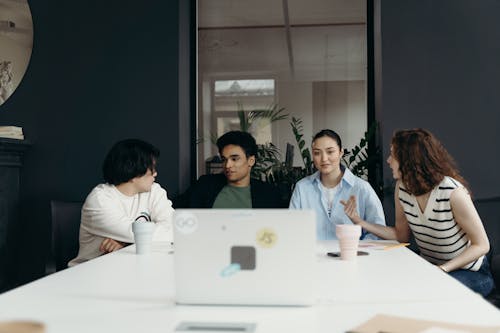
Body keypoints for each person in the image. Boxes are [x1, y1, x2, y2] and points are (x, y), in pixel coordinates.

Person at [356, 128, 493, 297]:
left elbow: (482, 245)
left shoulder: (453, 193)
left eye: (393, 155)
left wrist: (442, 269)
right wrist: (360, 222)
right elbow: (401, 236)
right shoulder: (403, 188)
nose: (388, 160)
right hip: (431, 269)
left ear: (408, 159)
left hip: (472, 272)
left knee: (428, 291)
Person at [69, 139, 174, 266]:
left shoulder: (154, 191)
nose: (155, 173)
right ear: (133, 172)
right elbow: (138, 234)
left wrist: (125, 242)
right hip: (93, 273)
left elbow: (175, 230)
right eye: (151, 169)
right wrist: (132, 239)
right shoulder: (100, 200)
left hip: (133, 269)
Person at [289, 129, 386, 240]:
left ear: (341, 153)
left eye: (330, 152)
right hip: (311, 255)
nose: (324, 159)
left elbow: (378, 232)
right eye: (317, 153)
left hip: (352, 255)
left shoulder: (361, 188)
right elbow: (293, 229)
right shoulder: (302, 188)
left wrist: (357, 250)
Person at [176, 130, 285, 208]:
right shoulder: (205, 185)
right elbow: (174, 211)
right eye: (224, 159)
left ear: (251, 160)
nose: (227, 165)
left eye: (234, 159)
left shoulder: (269, 194)